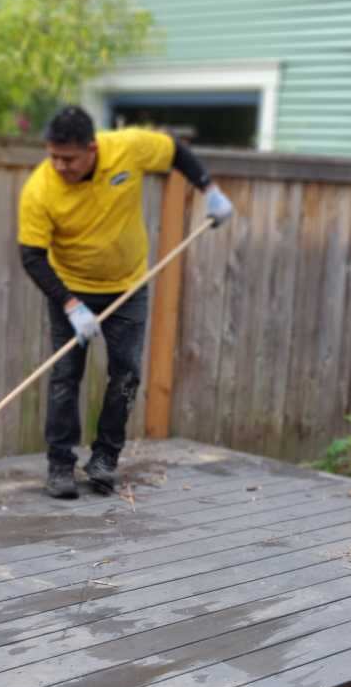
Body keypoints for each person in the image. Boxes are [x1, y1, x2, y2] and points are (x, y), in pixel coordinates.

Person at [18, 105, 233, 499]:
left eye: (68, 158)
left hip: (128, 287)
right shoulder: (40, 189)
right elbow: (32, 256)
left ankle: (104, 459)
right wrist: (71, 305)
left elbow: (174, 151)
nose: (59, 166)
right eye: (53, 156)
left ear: (92, 148)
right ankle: (60, 465)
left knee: (126, 374)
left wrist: (210, 190)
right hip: (71, 289)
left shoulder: (128, 148)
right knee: (65, 376)